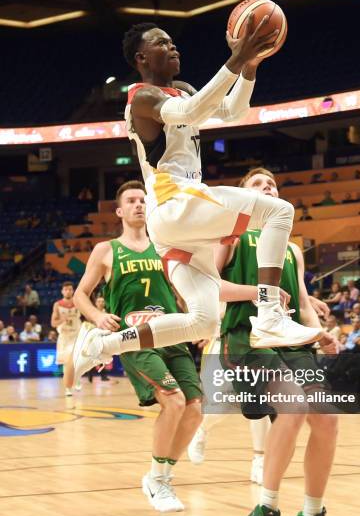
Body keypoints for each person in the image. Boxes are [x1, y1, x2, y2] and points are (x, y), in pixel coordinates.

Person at [73, 20, 322, 381]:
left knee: (203, 321)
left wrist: (249, 68)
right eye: (162, 43)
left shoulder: (185, 89)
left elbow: (233, 112)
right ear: (142, 57)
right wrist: (235, 59)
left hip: (176, 225)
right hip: (175, 201)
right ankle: (269, 315)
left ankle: (102, 346)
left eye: (173, 42)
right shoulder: (140, 97)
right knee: (279, 212)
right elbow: (188, 114)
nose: (173, 47)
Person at [211, 168, 347, 516]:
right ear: (243, 198)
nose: (267, 187)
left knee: (326, 418)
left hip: (289, 340)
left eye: (271, 184)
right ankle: (264, 512)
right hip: (244, 338)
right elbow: (207, 287)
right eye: (257, 185)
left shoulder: (291, 248)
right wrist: (259, 291)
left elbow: (303, 302)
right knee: (292, 407)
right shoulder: (230, 237)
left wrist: (319, 333)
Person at [74, 181, 203, 513]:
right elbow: (80, 295)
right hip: (134, 338)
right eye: (131, 201)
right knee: (173, 401)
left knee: (195, 408)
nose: (138, 205)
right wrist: (98, 316)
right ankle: (159, 484)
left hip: (172, 332)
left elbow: (183, 288)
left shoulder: (164, 246)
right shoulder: (106, 250)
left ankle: (159, 476)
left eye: (143, 200)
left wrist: (201, 319)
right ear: (119, 211)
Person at [51, 282, 82, 397]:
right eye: (66, 289)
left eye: (70, 289)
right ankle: (68, 388)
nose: (68, 291)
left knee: (77, 360)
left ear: (73, 290)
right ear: (62, 291)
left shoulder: (78, 302)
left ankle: (77, 379)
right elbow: (53, 323)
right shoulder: (57, 304)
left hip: (76, 335)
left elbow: (87, 315)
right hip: (64, 336)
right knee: (65, 363)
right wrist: (62, 320)